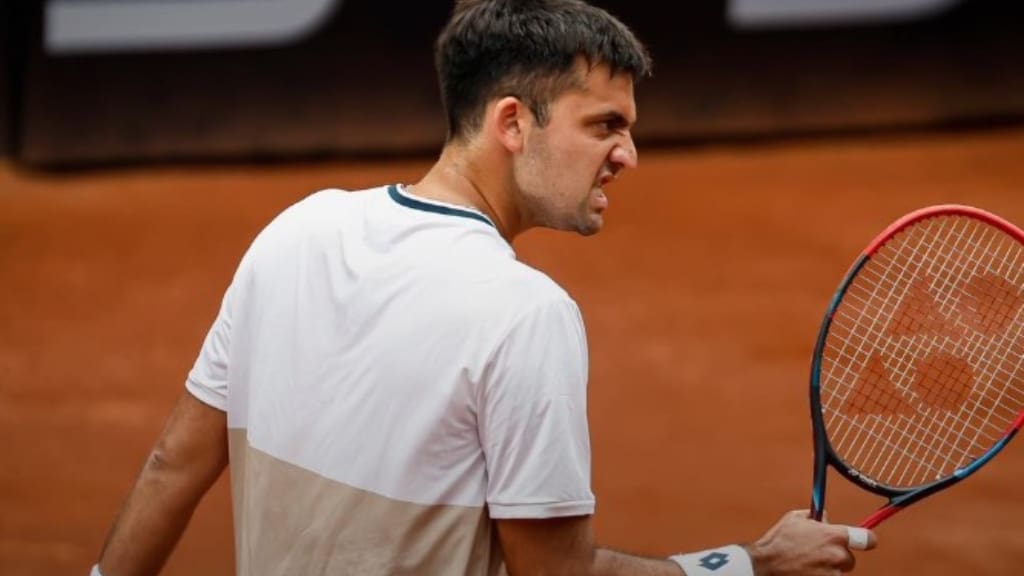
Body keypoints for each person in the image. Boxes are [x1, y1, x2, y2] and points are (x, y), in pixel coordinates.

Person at [93, 1, 878, 574]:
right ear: (512, 123)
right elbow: (556, 574)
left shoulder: (294, 232)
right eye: (604, 125)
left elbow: (173, 464)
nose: (628, 155)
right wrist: (751, 563)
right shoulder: (526, 316)